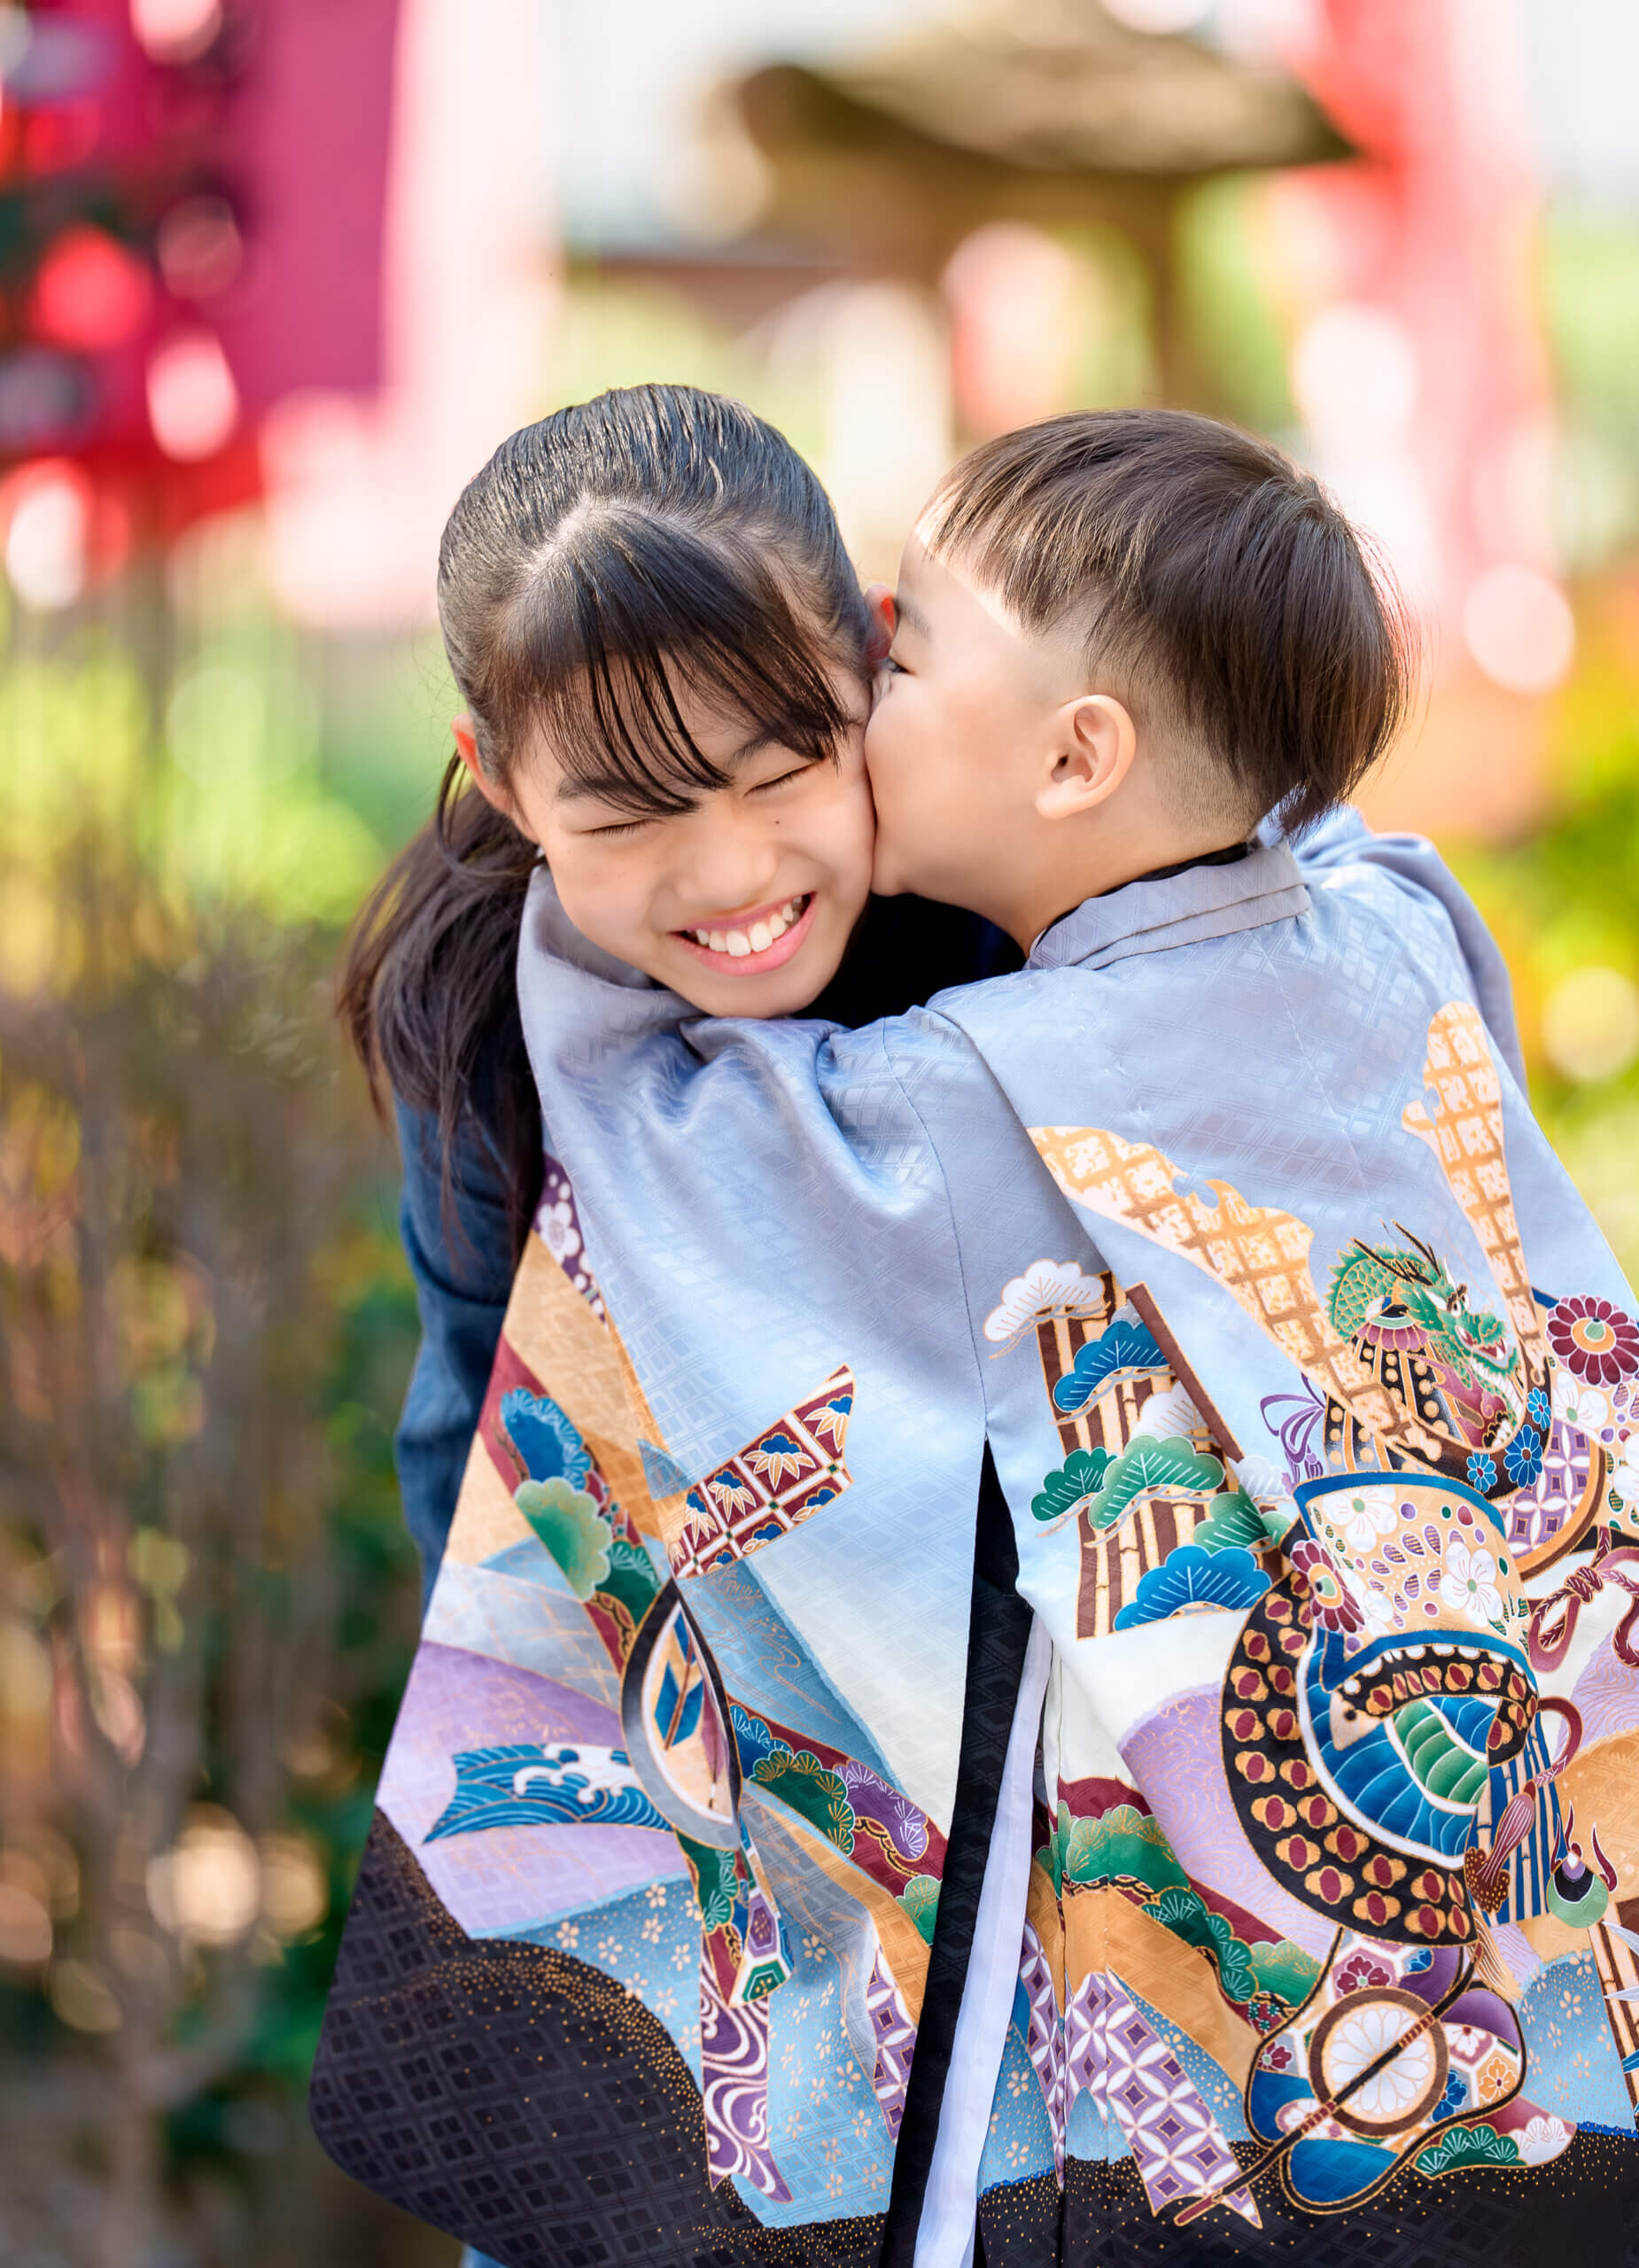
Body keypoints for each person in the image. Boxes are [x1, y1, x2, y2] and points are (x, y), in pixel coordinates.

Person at [504, 408, 1639, 2259]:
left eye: (907, 649)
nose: (866, 688)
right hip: (1550, 1681)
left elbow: (660, 1155)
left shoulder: (970, 1090)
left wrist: (565, 886)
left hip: (1265, 1819)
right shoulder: (1400, 916)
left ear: (1076, 755)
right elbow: (1296, 813)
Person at [322, 385, 1027, 2268]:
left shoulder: (1004, 921)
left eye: (782, 768)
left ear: (872, 662)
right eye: (630, 813)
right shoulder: (482, 1021)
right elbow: (473, 1436)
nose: (733, 875)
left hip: (1031, 1739)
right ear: (494, 776)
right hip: (691, 1772)